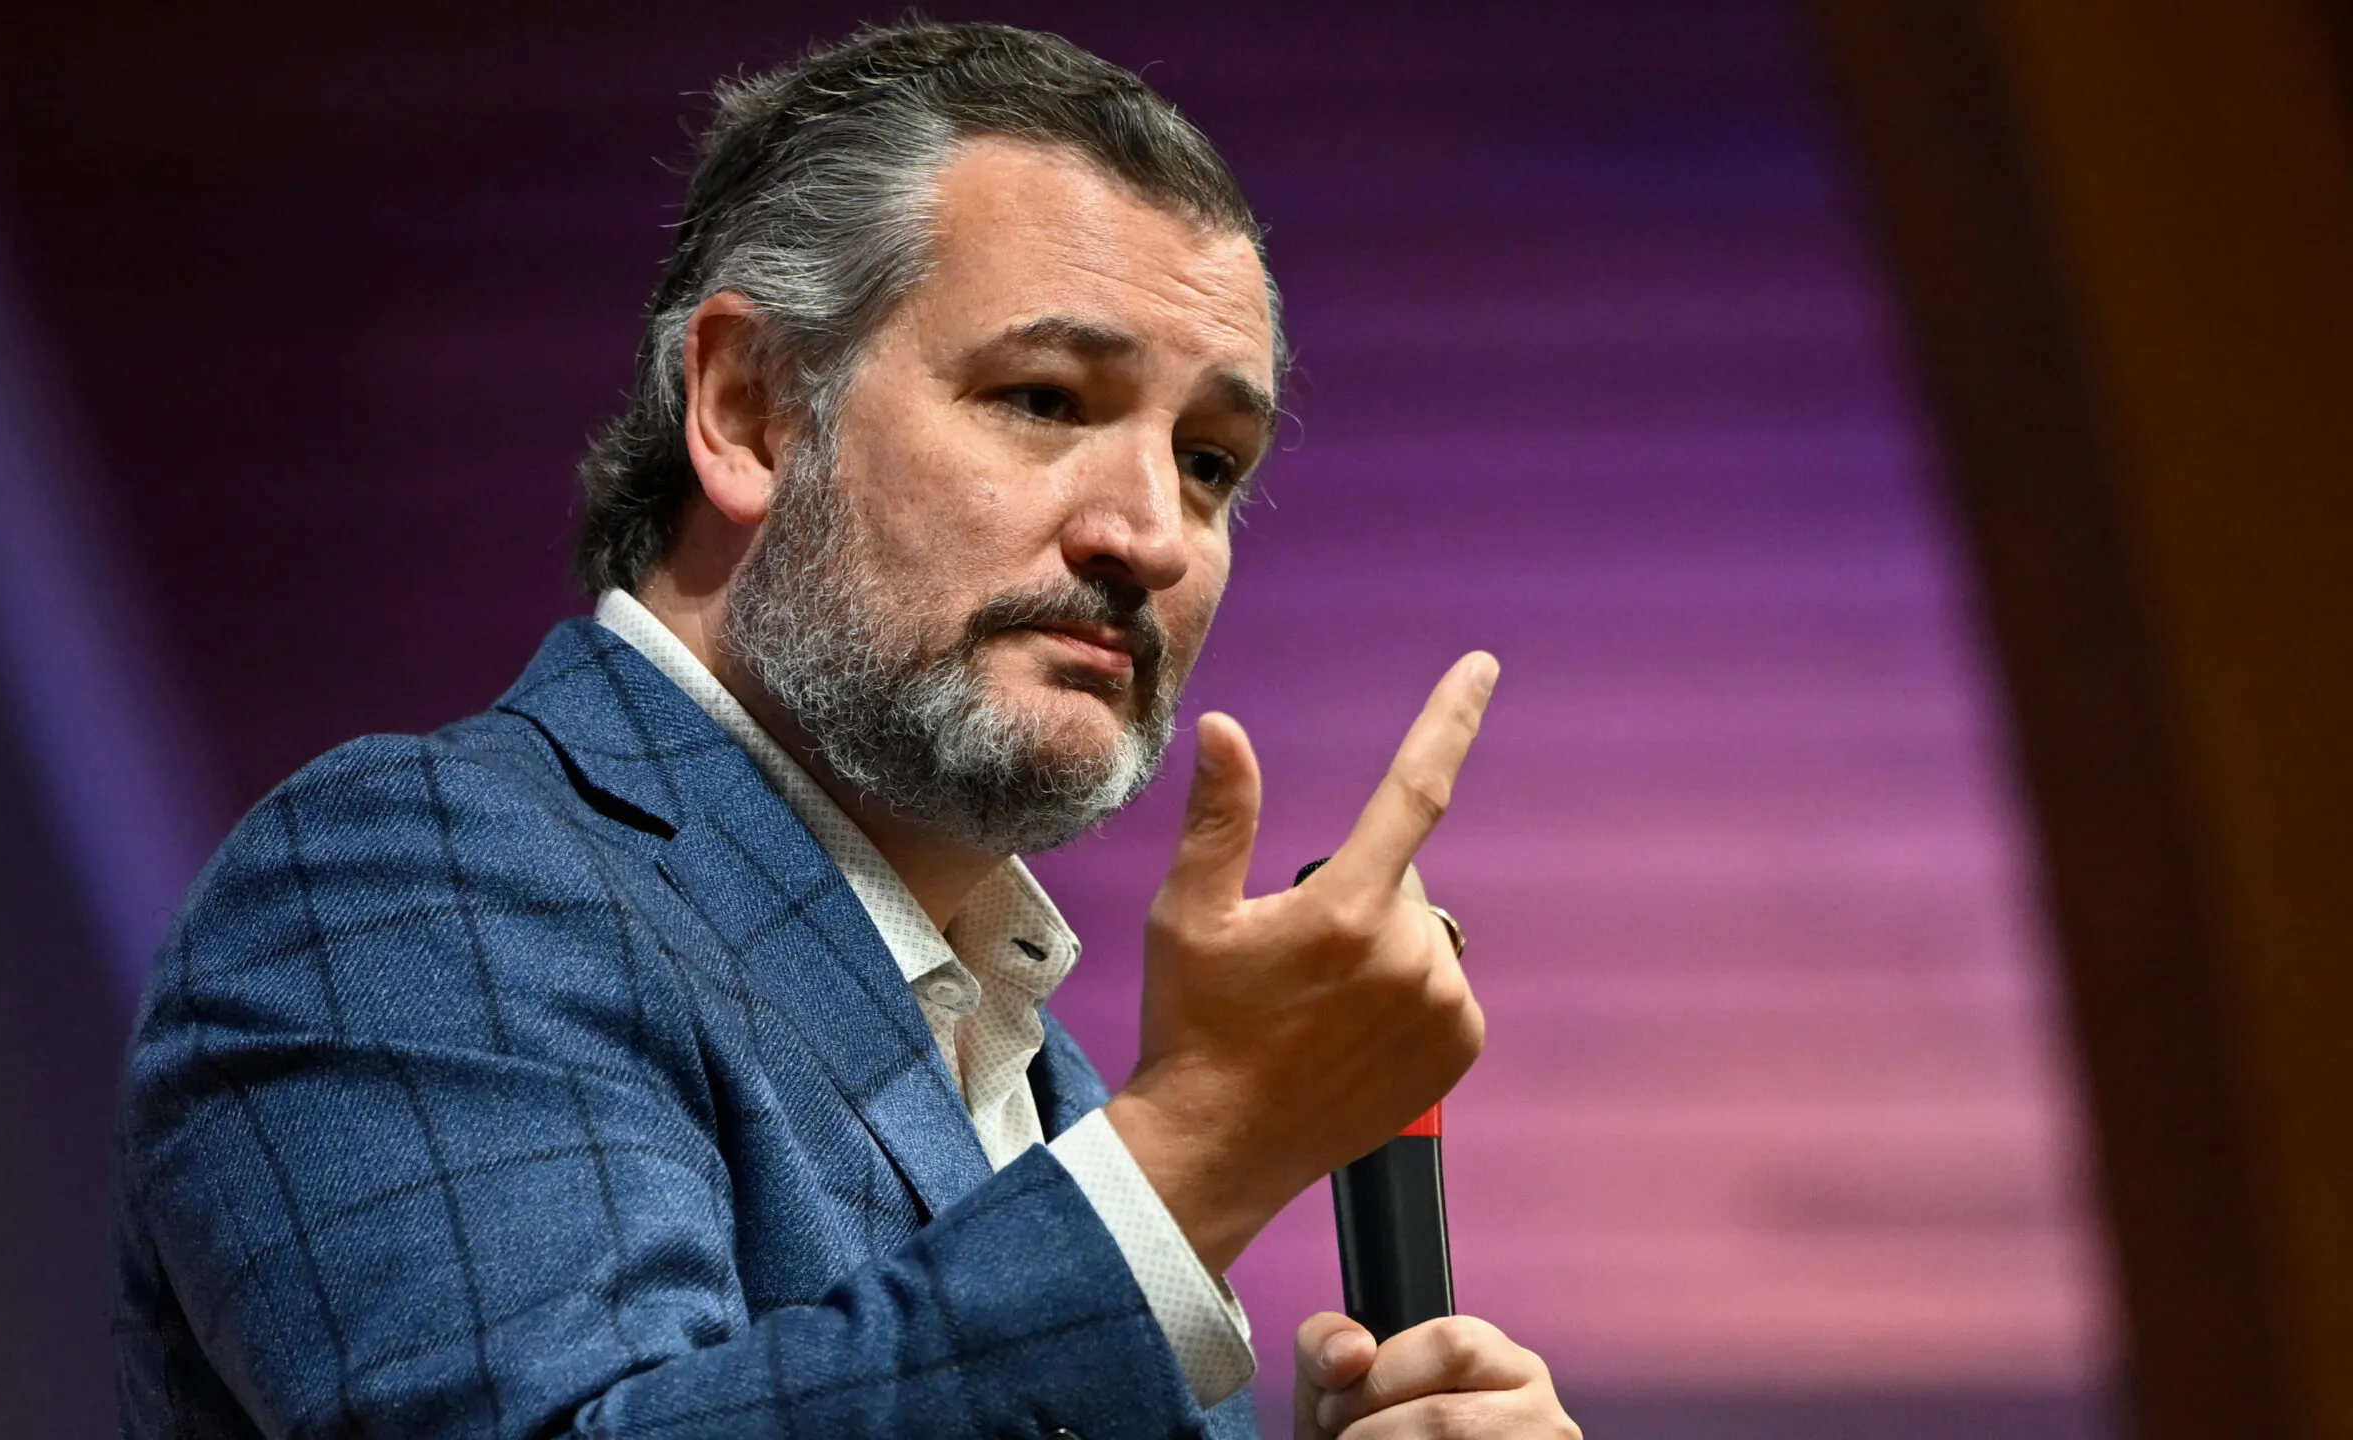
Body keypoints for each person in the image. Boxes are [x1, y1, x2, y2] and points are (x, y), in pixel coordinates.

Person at [113, 20, 1579, 1440]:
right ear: (752, 410)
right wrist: (1199, 1147)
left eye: (1208, 461)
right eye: (1044, 398)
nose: (1149, 535)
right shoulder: (402, 887)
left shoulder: (1047, 1086)